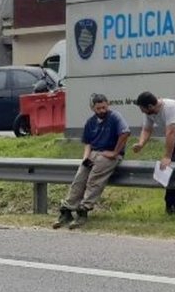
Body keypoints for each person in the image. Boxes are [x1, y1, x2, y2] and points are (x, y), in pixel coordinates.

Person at [53, 93, 129, 228]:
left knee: (94, 180)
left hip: (108, 154)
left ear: (108, 105)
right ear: (93, 108)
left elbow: (124, 133)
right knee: (79, 179)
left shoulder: (115, 117)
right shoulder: (90, 122)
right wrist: (86, 158)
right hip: (94, 152)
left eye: (104, 107)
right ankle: (67, 209)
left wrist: (115, 152)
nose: (102, 111)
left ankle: (83, 210)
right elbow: (88, 142)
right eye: (98, 108)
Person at [130, 91, 175, 214]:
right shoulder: (149, 112)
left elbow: (170, 132)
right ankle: (170, 207)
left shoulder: (169, 107)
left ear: (150, 106)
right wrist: (140, 144)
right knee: (169, 171)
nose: (142, 112)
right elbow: (147, 129)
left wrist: (167, 156)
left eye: (142, 109)